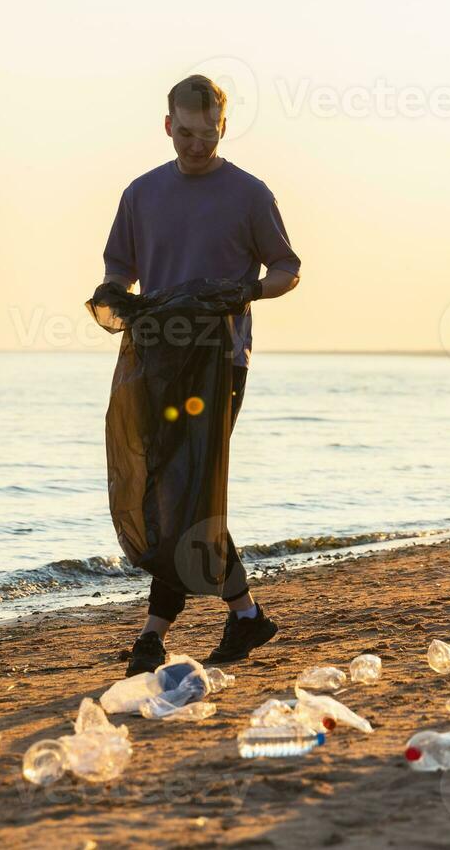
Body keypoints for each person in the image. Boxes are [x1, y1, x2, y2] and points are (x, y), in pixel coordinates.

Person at [102, 74, 302, 674]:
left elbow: (288, 268)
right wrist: (112, 294)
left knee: (185, 490)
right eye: (184, 134)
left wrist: (245, 292)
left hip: (220, 361)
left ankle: (154, 635)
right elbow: (119, 271)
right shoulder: (141, 194)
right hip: (155, 360)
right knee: (171, 492)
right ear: (168, 126)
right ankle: (243, 615)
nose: (195, 145)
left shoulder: (248, 193)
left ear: (223, 125)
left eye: (206, 133)